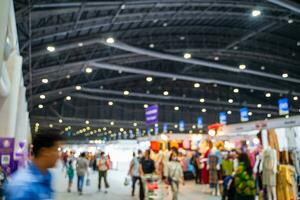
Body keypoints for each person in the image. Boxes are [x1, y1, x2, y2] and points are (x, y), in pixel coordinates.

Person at [5, 130, 63, 200]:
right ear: (44, 151)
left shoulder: (47, 176)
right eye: (57, 150)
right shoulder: (23, 186)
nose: (59, 155)